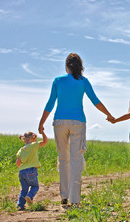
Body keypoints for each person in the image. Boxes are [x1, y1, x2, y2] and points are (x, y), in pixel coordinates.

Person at [38, 53, 114, 206]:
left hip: (59, 122)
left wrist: (41, 123)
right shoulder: (83, 81)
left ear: (67, 66)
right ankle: (75, 200)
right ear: (80, 66)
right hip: (78, 122)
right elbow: (95, 101)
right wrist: (109, 115)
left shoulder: (58, 81)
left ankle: (64, 196)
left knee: (63, 159)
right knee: (76, 160)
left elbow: (50, 103)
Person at [16, 131, 48, 210]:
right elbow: (45, 142)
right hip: (31, 170)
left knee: (24, 189)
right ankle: (29, 196)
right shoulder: (34, 145)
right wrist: (43, 133)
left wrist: (22, 167)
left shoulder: (21, 150)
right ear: (32, 138)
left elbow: (18, 163)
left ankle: (20, 205)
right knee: (35, 186)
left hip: (22, 172)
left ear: (24, 139)